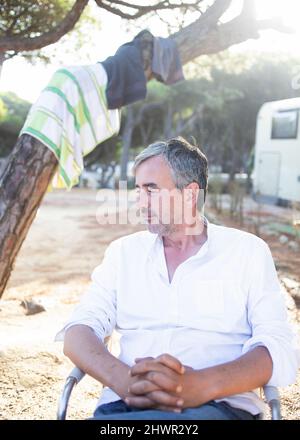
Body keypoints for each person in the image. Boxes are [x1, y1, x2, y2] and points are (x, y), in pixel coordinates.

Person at [59, 137, 299, 420]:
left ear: (189, 194)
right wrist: (126, 381)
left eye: (151, 190)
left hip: (219, 407)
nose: (140, 202)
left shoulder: (247, 252)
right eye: (138, 190)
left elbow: (277, 344)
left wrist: (200, 385)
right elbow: (77, 331)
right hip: (125, 406)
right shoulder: (123, 253)